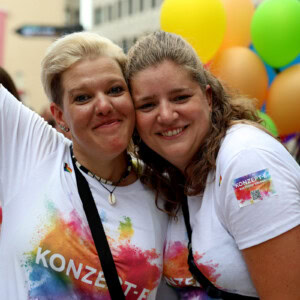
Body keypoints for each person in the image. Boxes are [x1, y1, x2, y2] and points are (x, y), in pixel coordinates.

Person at [126, 31, 300, 299]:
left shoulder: (247, 164)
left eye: (180, 97)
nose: (166, 115)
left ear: (208, 97)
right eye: (147, 105)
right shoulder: (172, 173)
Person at [0, 32, 169, 299]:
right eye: (82, 98)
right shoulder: (32, 152)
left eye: (115, 90)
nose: (104, 105)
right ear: (59, 116)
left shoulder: (164, 192)